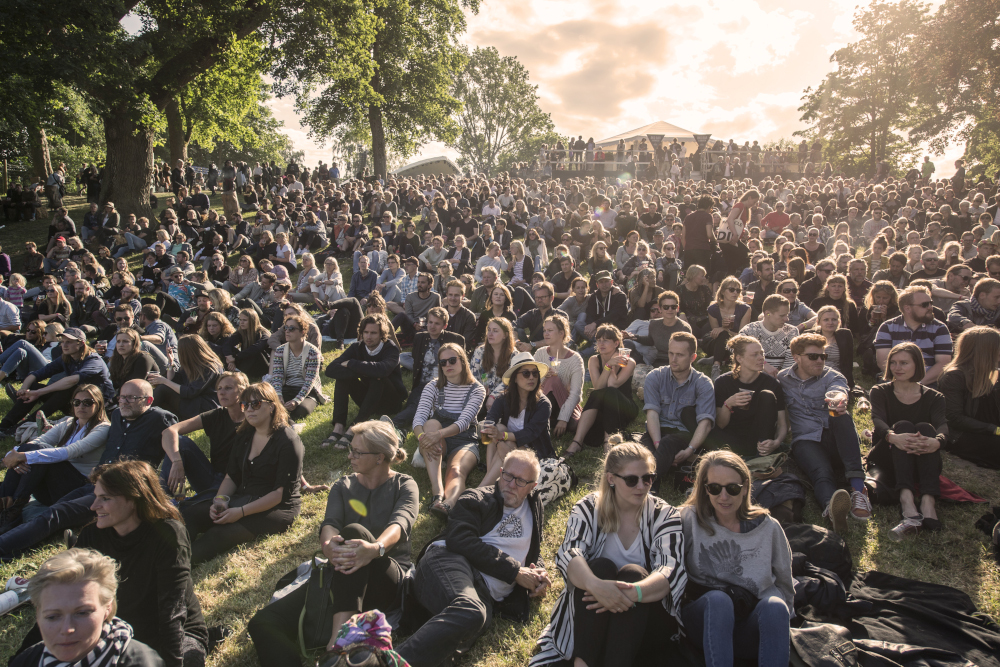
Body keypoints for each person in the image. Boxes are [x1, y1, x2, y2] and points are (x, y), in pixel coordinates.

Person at [248, 420, 418, 663]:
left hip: (386, 576)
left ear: (380, 457)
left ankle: (337, 643)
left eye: (357, 452)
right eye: (351, 449)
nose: (350, 456)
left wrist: (374, 549)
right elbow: (330, 524)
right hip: (339, 571)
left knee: (354, 531)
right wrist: (329, 547)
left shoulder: (404, 484)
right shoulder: (343, 485)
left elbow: (401, 524)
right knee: (263, 623)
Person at [529, 440, 685, 667]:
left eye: (648, 478)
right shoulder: (589, 507)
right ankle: (583, 663)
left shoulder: (665, 514)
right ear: (611, 479)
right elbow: (570, 554)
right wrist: (597, 585)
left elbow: (670, 570)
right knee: (600, 568)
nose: (641, 486)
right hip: (592, 618)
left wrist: (630, 594)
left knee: (634, 574)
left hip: (642, 621)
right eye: (632, 480)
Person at [396, 450, 550, 667]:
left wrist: (537, 573)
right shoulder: (476, 498)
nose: (511, 484)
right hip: (450, 562)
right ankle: (384, 662)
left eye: (521, 480)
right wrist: (515, 571)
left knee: (456, 644)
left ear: (532, 486)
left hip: (485, 594)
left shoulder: (534, 507)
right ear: (500, 472)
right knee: (471, 610)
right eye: (507, 476)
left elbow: (534, 549)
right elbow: (459, 539)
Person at [76, 461, 209, 667]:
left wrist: (172, 662)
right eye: (96, 497)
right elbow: (66, 594)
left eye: (105, 498)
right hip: (117, 632)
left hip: (172, 633)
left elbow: (172, 611)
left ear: (133, 498)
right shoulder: (92, 536)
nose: (94, 506)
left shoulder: (167, 534)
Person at [680, 451, 793, 667]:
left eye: (732, 488)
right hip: (703, 620)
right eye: (715, 488)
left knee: (776, 606)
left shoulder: (769, 528)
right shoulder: (690, 519)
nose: (723, 497)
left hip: (748, 625)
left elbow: (785, 585)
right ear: (705, 489)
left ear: (745, 488)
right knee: (719, 600)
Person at [181, 382, 303, 564]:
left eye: (256, 404)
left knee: (217, 534)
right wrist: (220, 501)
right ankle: (166, 555)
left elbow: (279, 495)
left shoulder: (287, 441)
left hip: (276, 508)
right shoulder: (244, 434)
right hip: (244, 496)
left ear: (271, 406)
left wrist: (241, 512)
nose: (249, 410)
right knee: (190, 514)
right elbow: (232, 476)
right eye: (245, 405)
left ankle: (177, 569)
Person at [778, 334, 870, 535]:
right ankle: (832, 509)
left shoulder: (833, 376)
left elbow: (839, 390)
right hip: (806, 439)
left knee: (841, 417)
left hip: (836, 439)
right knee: (821, 473)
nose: (820, 361)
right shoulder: (782, 379)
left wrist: (839, 398)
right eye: (813, 357)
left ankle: (858, 490)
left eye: (823, 356)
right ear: (796, 357)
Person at [11, 549, 164, 667]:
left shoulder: (141, 662)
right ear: (38, 615)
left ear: (107, 609)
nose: (67, 629)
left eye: (82, 613)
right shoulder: (28, 661)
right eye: (52, 616)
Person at [0, 384, 109, 531]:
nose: (81, 406)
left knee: (41, 454)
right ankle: (6, 503)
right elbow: (36, 442)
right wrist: (12, 455)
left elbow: (69, 452)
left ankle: (13, 509)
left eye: (88, 402)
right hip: (50, 487)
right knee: (34, 449)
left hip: (74, 489)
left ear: (99, 404)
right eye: (77, 402)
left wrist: (22, 456)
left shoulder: (103, 428)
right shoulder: (69, 423)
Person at [867, 343, 947, 539]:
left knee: (926, 428)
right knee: (902, 425)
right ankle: (906, 498)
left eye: (904, 363)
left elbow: (943, 425)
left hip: (920, 458)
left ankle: (928, 501)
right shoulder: (880, 391)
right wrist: (893, 437)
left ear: (916, 365)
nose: (897, 368)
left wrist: (938, 441)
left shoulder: (934, 397)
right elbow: (878, 420)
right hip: (886, 457)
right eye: (893, 363)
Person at [414, 343, 486, 518]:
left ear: (463, 361)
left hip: (465, 439)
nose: (448, 365)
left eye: (452, 360)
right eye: (443, 362)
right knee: (430, 424)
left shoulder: (477, 389)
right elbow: (418, 419)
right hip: (438, 439)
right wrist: (422, 437)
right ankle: (437, 493)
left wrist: (436, 435)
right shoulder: (433, 386)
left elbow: (463, 422)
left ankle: (449, 504)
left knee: (456, 470)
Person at [0, 327, 114, 438]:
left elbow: (72, 380)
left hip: (97, 405)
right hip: (77, 402)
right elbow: (37, 374)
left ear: (81, 344)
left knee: (67, 390)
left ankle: (19, 428)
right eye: (63, 342)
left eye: (68, 342)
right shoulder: (67, 357)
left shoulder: (93, 360)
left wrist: (39, 392)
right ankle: (4, 426)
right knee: (34, 386)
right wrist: (23, 389)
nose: (64, 345)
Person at [642, 331, 715, 494]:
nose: (673, 359)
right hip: (657, 431)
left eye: (680, 355)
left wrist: (690, 450)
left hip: (684, 434)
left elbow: (705, 423)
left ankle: (648, 489)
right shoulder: (655, 376)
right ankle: (649, 484)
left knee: (668, 444)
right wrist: (657, 444)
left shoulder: (703, 383)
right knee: (641, 454)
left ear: (693, 357)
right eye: (671, 353)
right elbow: (652, 414)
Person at [325, 315, 407, 448]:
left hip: (391, 401)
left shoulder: (390, 348)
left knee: (378, 378)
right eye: (366, 332)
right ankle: (339, 426)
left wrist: (352, 363)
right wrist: (365, 370)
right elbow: (330, 370)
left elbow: (382, 370)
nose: (369, 336)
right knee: (342, 378)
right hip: (367, 400)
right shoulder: (357, 347)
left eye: (374, 333)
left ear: (382, 334)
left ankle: (355, 426)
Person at [479, 353, 554, 486]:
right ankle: (490, 479)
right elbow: (489, 421)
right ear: (515, 378)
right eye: (526, 373)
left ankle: (483, 486)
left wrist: (501, 437)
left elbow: (529, 434)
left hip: (534, 452)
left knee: (508, 440)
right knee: (498, 427)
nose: (531, 378)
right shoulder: (503, 399)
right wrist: (499, 441)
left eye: (535, 374)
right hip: (508, 447)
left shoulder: (543, 404)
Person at [711, 336, 788, 459]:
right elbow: (720, 425)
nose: (761, 358)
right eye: (755, 355)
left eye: (762, 353)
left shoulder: (772, 384)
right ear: (739, 358)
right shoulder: (723, 382)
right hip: (730, 438)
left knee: (767, 395)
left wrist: (776, 442)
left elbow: (781, 423)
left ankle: (761, 455)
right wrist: (728, 404)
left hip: (758, 439)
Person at [568, 325, 638, 455]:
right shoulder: (594, 360)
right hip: (604, 406)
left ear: (616, 343)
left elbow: (613, 385)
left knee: (610, 392)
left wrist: (614, 367)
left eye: (605, 340)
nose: (601, 344)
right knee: (597, 394)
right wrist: (608, 365)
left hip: (624, 406)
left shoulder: (629, 362)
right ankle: (577, 441)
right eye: (598, 340)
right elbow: (599, 387)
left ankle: (608, 441)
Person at [938, 326, 1000, 469]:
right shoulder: (955, 376)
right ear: (986, 349)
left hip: (988, 430)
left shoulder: (993, 373)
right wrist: (994, 429)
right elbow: (954, 418)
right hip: (962, 435)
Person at [395, 307, 464, 427]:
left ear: (445, 326)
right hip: (423, 384)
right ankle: (393, 424)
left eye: (437, 323)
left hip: (445, 385)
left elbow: (461, 366)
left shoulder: (456, 339)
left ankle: (393, 423)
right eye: (430, 322)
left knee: (431, 409)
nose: (432, 326)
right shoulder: (420, 337)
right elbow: (417, 362)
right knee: (415, 406)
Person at [874, 285, 953, 386]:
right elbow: (883, 362)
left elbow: (943, 363)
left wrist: (918, 384)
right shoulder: (887, 327)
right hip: (896, 377)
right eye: (925, 305)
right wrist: (902, 381)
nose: (930, 307)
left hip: (928, 380)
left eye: (931, 303)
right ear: (907, 308)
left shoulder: (940, 328)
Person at [148, 335, 222, 420]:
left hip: (205, 406)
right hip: (192, 402)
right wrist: (170, 362)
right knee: (163, 392)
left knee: (163, 389)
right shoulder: (190, 364)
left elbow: (191, 392)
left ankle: (140, 416)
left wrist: (164, 381)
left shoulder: (210, 367)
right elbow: (173, 380)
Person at [533, 314, 584, 436]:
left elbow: (576, 394)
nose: (546, 334)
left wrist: (564, 418)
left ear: (561, 333)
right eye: (545, 330)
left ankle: (552, 421)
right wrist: (544, 376)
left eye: (550, 330)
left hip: (564, 402)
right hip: (540, 400)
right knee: (552, 381)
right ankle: (544, 421)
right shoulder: (540, 353)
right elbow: (530, 383)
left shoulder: (575, 359)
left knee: (574, 425)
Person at [268, 314, 323, 420]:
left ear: (302, 332)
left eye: (292, 328)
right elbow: (277, 376)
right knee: (270, 406)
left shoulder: (313, 352)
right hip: (287, 388)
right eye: (286, 328)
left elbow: (310, 381)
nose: (287, 331)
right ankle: (288, 422)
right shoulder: (280, 350)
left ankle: (286, 420)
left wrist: (297, 400)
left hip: (307, 392)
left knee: (302, 410)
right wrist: (278, 394)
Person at [704, 276, 752, 380]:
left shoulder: (745, 309)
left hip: (736, 344)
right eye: (731, 290)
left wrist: (725, 329)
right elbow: (715, 334)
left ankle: (716, 362)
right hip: (716, 343)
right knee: (723, 336)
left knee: (728, 336)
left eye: (738, 290)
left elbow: (742, 336)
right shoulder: (713, 309)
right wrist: (723, 329)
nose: (735, 293)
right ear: (722, 291)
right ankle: (718, 363)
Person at [469, 317, 516, 415]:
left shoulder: (514, 355)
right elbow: (473, 375)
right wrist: (482, 386)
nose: (490, 334)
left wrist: (493, 396)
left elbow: (510, 381)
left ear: (505, 335)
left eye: (495, 331)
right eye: (489, 330)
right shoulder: (480, 351)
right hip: (481, 392)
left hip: (504, 395)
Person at [811, 305, 856, 388]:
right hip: (815, 376)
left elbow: (848, 364)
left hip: (837, 376)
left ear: (839, 322)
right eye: (826, 320)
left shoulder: (845, 335)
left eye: (834, 320)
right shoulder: (811, 336)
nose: (830, 323)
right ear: (818, 322)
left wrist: (849, 383)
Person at [222, 308, 271, 377]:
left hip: (262, 364)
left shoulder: (263, 333)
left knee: (254, 352)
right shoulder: (241, 331)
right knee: (227, 350)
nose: (241, 322)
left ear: (252, 321)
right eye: (240, 320)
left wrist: (235, 357)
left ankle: (238, 372)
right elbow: (227, 344)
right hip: (247, 361)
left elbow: (257, 348)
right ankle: (230, 370)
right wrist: (230, 359)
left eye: (244, 320)